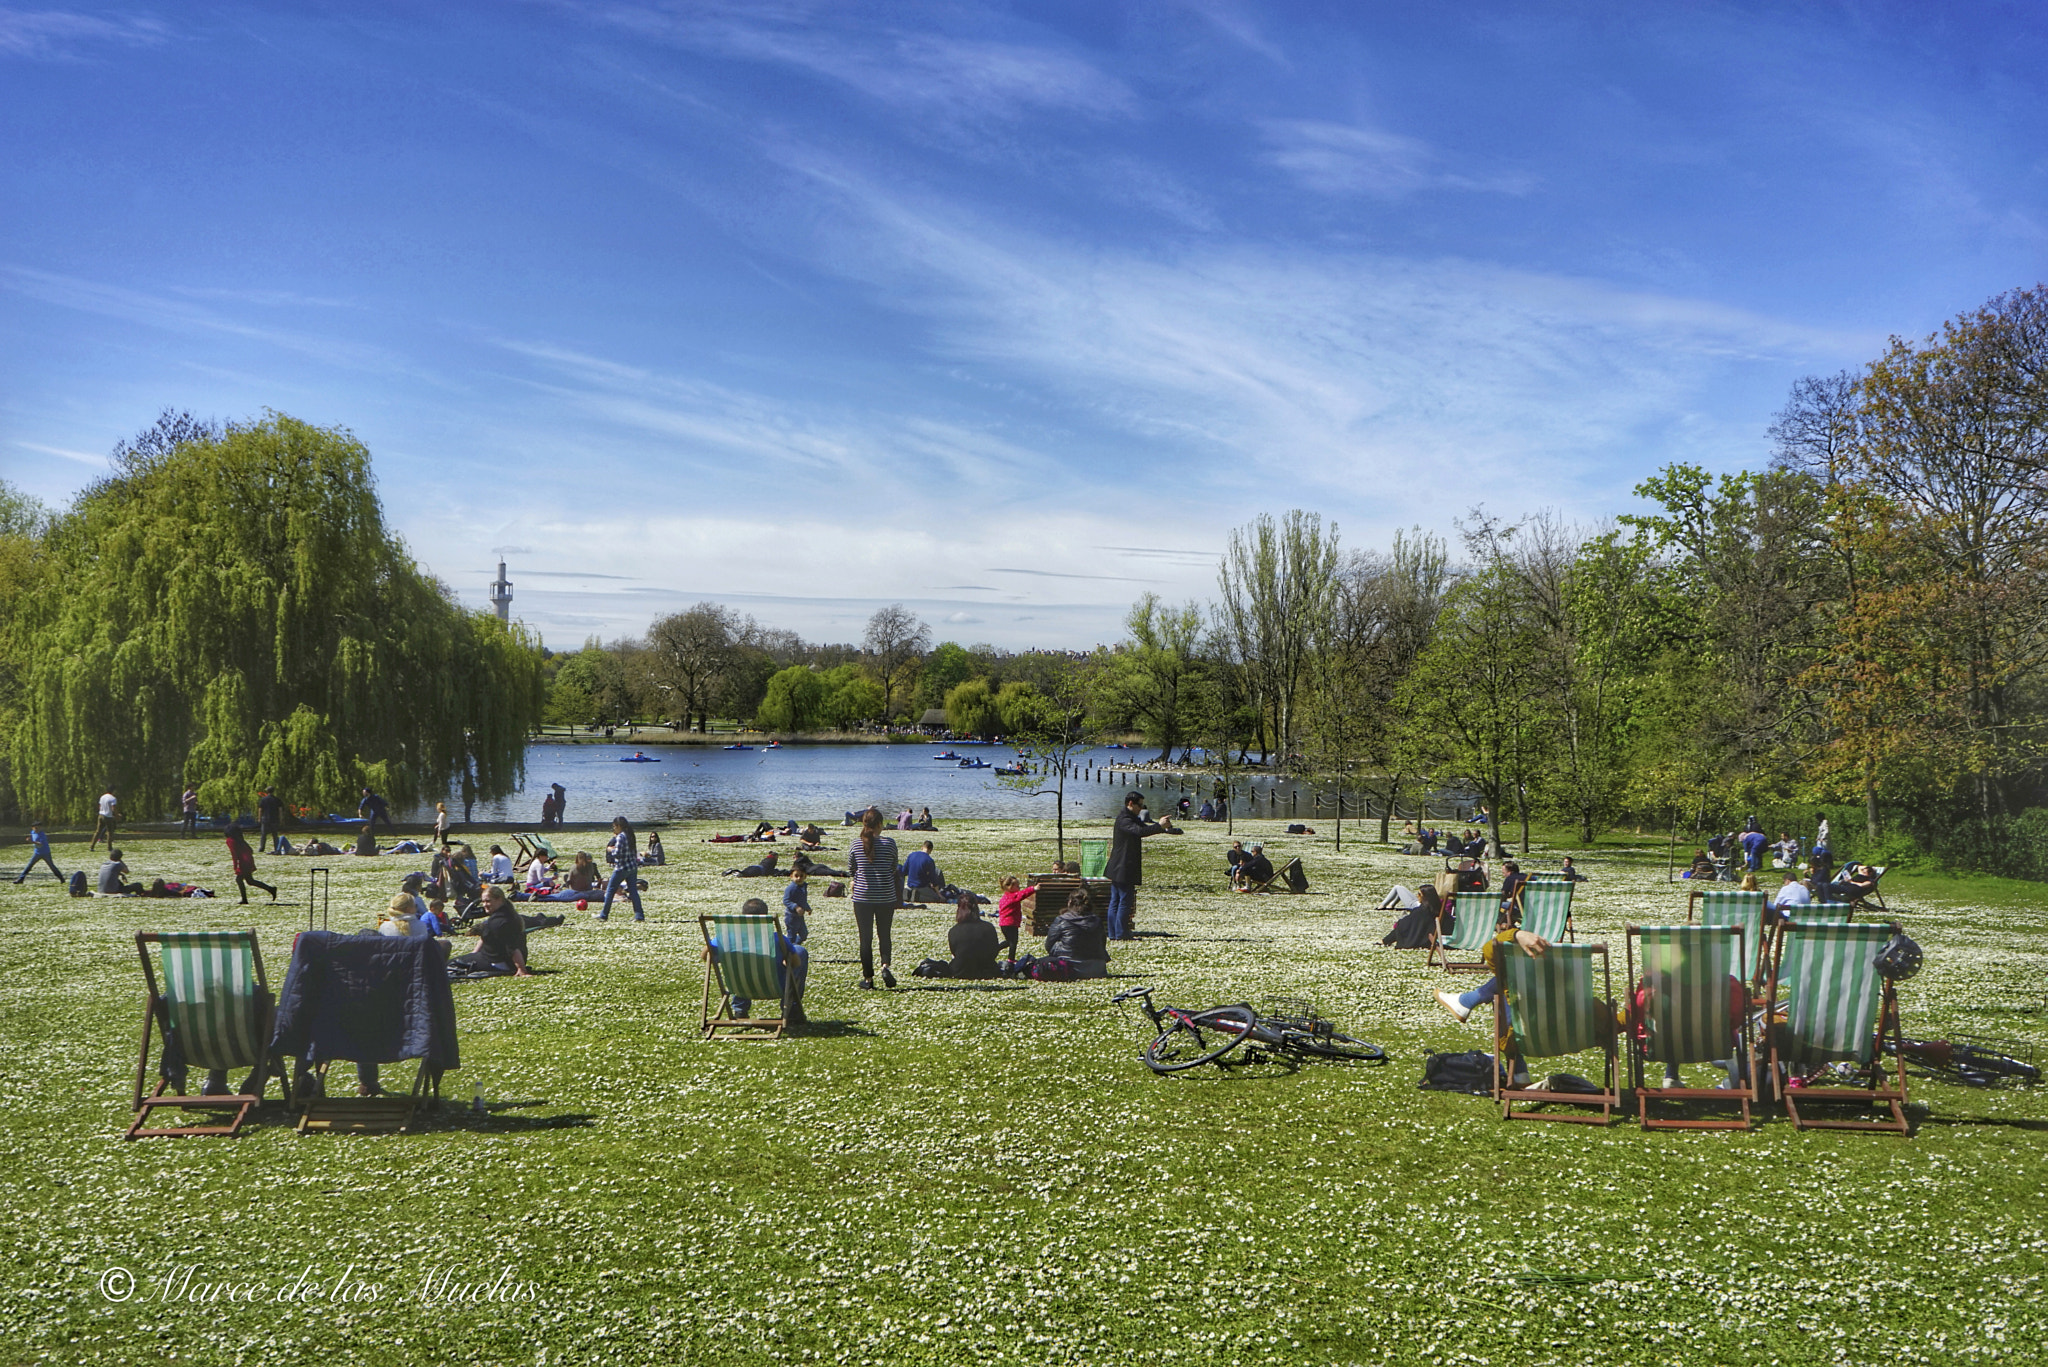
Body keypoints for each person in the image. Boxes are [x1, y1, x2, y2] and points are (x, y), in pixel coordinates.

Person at [717, 897, 809, 1027]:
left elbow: (706, 956)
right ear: (764, 918)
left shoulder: (728, 938)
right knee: (800, 952)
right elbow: (795, 963)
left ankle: (740, 1009)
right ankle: (791, 1010)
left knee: (744, 970)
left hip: (739, 987)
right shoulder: (777, 939)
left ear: (743, 916)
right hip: (775, 986)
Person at [1105, 791, 1177, 939]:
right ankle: (1120, 933)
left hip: (1119, 866)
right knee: (1123, 901)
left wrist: (1165, 827)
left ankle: (1115, 933)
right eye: (1139, 805)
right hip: (1123, 866)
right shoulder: (1125, 819)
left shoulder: (1130, 817)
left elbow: (1145, 827)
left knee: (1117, 900)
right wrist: (1159, 826)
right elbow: (1140, 832)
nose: (1141, 808)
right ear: (1130, 803)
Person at [848, 806, 900, 989]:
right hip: (885, 896)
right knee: (884, 934)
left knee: (865, 938)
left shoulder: (856, 844)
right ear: (879, 824)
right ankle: (885, 965)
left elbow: (852, 868)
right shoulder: (890, 843)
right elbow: (894, 867)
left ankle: (868, 979)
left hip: (862, 897)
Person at [454, 886, 536, 976]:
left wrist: (521, 970)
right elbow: (484, 938)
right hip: (495, 959)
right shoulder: (502, 915)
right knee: (463, 960)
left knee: (451, 964)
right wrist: (474, 954)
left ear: (499, 899)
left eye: (488, 901)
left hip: (499, 963)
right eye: (483, 902)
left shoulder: (501, 921)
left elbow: (512, 948)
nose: (485, 904)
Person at [1043, 889, 1108, 977]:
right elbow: (1102, 943)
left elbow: (1049, 945)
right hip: (1097, 968)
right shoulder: (1097, 920)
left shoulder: (1061, 920)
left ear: (1070, 902)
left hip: (1069, 967)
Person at [598, 816, 644, 921]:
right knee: (633, 892)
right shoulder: (630, 835)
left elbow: (618, 853)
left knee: (610, 890)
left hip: (621, 868)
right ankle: (639, 915)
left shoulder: (620, 837)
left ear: (619, 826)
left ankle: (604, 915)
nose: (613, 829)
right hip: (632, 867)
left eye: (614, 827)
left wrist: (610, 850)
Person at [945, 896, 1002, 978]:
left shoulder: (954, 930)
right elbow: (994, 952)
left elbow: (954, 952)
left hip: (960, 971)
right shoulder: (988, 927)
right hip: (987, 970)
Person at [224, 826, 277, 904]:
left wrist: (235, 865)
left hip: (243, 862)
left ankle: (244, 899)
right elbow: (250, 850)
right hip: (248, 860)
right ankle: (271, 889)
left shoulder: (230, 841)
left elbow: (234, 853)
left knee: (240, 880)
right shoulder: (240, 839)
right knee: (250, 881)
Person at [994, 874, 1029, 962]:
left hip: (1004, 924)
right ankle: (1011, 959)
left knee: (1009, 941)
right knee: (1013, 942)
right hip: (1010, 923)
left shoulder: (1005, 897)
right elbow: (1023, 894)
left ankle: (995, 949)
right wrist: (1034, 889)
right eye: (1017, 886)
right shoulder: (1012, 897)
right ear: (1010, 887)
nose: (1019, 887)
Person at [255, 787, 284, 853]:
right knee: (275, 835)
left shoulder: (263, 799)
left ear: (267, 792)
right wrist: (281, 819)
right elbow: (280, 810)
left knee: (263, 835)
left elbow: (260, 810)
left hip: (265, 819)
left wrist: (259, 818)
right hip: (274, 819)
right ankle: (276, 848)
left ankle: (262, 848)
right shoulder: (277, 800)